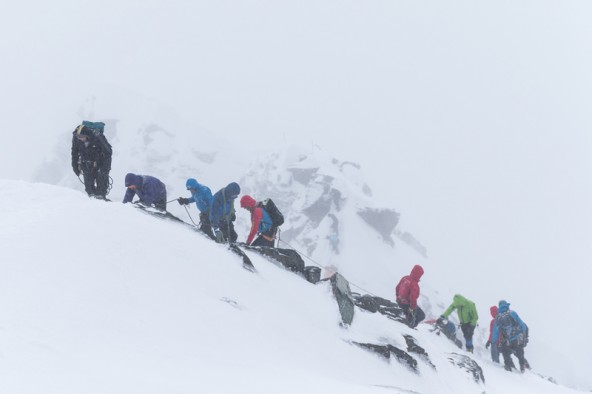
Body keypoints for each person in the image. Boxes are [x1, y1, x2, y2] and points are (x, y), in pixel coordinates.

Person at [71, 122, 112, 199]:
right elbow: (74, 153)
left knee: (101, 188)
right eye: (78, 136)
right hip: (86, 164)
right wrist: (75, 166)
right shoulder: (76, 139)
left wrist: (104, 170)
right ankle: (92, 201)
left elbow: (108, 152)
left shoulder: (98, 137)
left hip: (100, 163)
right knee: (89, 190)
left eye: (82, 136)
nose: (80, 138)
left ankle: (101, 200)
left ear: (87, 135)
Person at [492, 300, 530, 372]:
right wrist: (522, 334)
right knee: (520, 352)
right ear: (506, 305)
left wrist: (494, 341)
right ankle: (522, 366)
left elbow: (495, 332)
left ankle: (508, 367)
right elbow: (522, 325)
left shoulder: (497, 317)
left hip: (507, 340)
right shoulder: (512, 313)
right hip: (517, 338)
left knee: (506, 353)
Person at [394, 264, 426, 329]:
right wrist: (412, 308)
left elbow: (397, 288)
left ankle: (407, 323)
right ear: (419, 274)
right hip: (407, 305)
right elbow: (413, 298)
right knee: (422, 315)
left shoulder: (405, 278)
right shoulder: (415, 284)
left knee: (408, 314)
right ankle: (411, 326)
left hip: (399, 302)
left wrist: (398, 298)